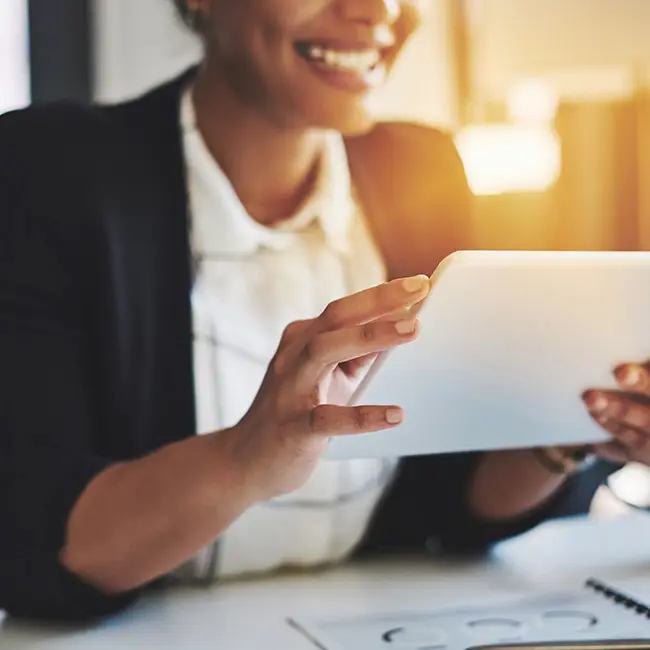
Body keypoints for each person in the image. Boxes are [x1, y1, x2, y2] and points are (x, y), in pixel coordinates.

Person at [0, 0, 647, 624]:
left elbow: (452, 506)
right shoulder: (49, 170)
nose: (377, 11)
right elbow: (45, 540)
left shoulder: (420, 168)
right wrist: (247, 459)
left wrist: (564, 429)